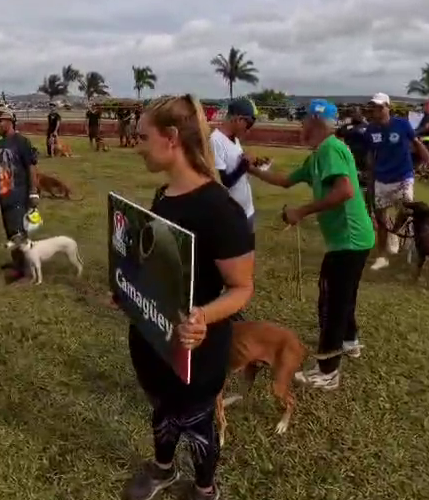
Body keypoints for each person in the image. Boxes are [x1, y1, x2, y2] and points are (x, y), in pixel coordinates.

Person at [120, 94, 254, 500]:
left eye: (143, 136)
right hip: (154, 335)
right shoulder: (163, 196)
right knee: (161, 407)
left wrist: (203, 317)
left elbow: (242, 289)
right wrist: (128, 286)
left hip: (198, 347)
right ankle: (162, 468)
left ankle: (204, 488)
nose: (137, 144)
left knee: (196, 423)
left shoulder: (220, 210)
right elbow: (159, 260)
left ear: (172, 137)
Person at [248, 99, 374, 389]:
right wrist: (252, 170)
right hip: (350, 240)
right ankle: (349, 341)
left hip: (350, 240)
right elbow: (285, 181)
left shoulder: (331, 148)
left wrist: (300, 212)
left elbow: (345, 190)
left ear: (316, 122)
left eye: (304, 120)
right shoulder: (318, 156)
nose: (301, 126)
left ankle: (328, 371)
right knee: (342, 295)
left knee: (331, 302)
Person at [364, 92, 429, 271]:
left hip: (403, 176)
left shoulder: (401, 124)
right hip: (381, 178)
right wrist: (370, 175)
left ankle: (396, 230)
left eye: (380, 107)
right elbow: (371, 154)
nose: (376, 111)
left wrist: (427, 158)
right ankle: (382, 256)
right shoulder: (371, 129)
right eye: (374, 107)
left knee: (407, 207)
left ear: (388, 108)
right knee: (380, 218)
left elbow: (416, 142)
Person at [0, 109, 39, 284]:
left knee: (19, 233)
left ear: (10, 121)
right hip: (4, 194)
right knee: (10, 232)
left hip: (18, 194)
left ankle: (25, 271)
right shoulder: (0, 143)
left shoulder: (22, 141)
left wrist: (33, 192)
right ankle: (17, 262)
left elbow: (31, 167)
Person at [210, 98, 258, 240]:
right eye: (248, 124)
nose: (248, 130)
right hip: (232, 214)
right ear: (238, 119)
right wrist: (244, 164)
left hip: (247, 209)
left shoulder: (234, 139)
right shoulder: (215, 141)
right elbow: (224, 182)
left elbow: (236, 169)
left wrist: (249, 163)